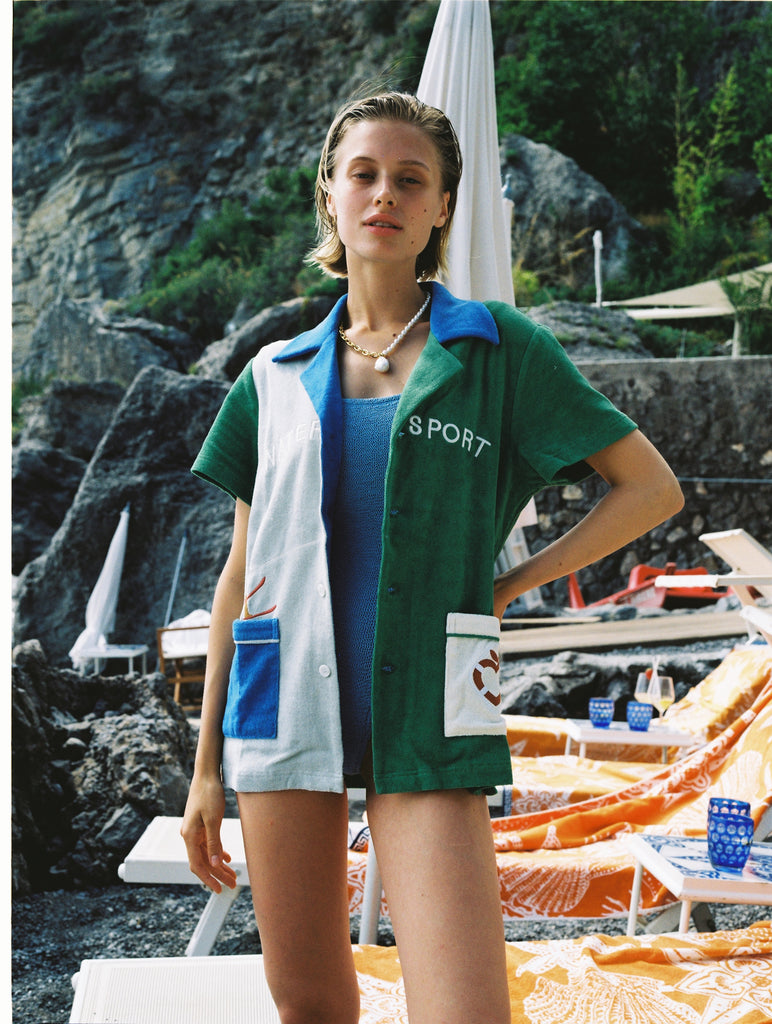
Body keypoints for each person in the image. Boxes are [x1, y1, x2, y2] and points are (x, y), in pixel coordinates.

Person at [181, 91, 684, 1024]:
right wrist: (204, 768)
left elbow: (650, 489)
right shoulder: (271, 376)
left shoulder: (498, 350)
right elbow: (239, 574)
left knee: (465, 1011)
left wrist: (511, 583)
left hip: (432, 711)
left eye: (411, 180)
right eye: (364, 174)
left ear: (442, 205)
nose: (386, 194)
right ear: (330, 194)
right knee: (309, 1005)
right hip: (280, 708)